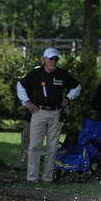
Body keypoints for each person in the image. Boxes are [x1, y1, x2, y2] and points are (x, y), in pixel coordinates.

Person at [16, 47, 81, 183]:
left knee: (52, 147)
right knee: (34, 146)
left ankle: (47, 178)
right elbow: (20, 85)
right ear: (45, 59)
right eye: (51, 58)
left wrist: (68, 98)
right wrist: (26, 102)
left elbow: (77, 86)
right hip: (38, 112)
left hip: (56, 113)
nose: (54, 61)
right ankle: (32, 178)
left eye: (56, 58)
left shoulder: (62, 74)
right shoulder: (36, 73)